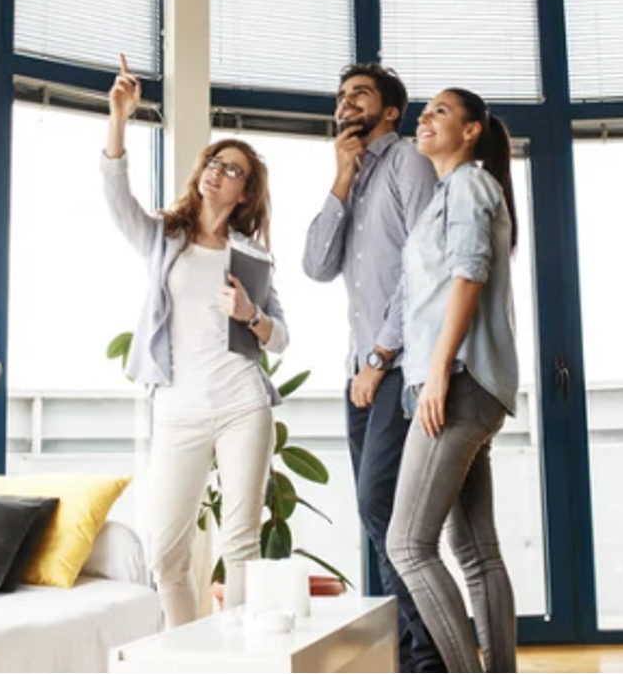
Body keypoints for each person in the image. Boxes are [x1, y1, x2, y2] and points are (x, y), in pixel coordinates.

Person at [102, 54, 289, 628]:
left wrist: (250, 312)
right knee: (166, 552)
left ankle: (239, 662)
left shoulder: (252, 255)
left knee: (240, 544)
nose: (217, 170)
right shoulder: (165, 236)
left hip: (241, 405)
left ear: (245, 191)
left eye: (232, 169)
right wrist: (119, 119)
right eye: (214, 160)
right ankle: (190, 656)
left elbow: (279, 337)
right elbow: (116, 199)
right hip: (178, 409)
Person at [302, 64, 443, 672]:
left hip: (399, 367)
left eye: (358, 94)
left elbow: (424, 270)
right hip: (360, 374)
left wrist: (380, 357)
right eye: (340, 96)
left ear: (390, 111)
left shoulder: (408, 162)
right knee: (380, 516)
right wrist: (339, 178)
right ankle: (418, 654)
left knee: (384, 508)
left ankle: (432, 658)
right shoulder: (354, 177)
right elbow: (315, 265)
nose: (344, 103)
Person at [387, 87, 521, 674]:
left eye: (439, 111)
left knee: (408, 545)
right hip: (472, 384)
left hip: (458, 381)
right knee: (474, 549)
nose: (425, 118)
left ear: (471, 131)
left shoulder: (468, 183)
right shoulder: (454, 191)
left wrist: (438, 371)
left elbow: (469, 274)